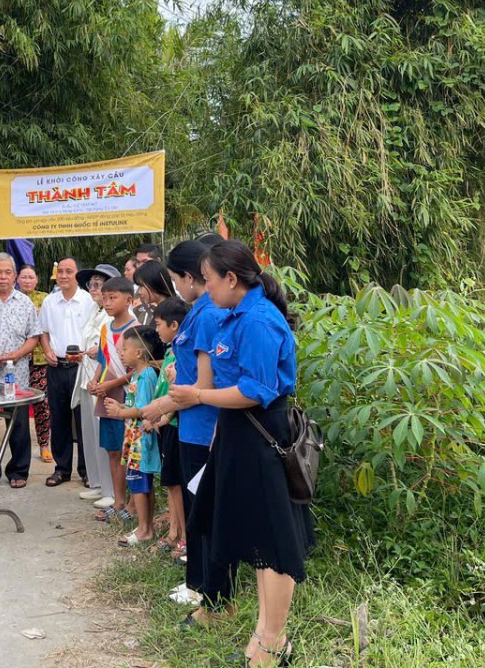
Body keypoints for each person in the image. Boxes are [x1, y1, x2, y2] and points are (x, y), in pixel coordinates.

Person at [193, 239, 313, 666]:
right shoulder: (235, 316)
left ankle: (272, 642)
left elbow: (255, 391)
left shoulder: (259, 320)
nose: (206, 288)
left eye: (208, 280)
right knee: (260, 541)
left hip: (262, 435)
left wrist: (198, 395)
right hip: (238, 434)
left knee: (274, 542)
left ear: (231, 278)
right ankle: (264, 637)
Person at [140, 235, 231, 613]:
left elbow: (208, 383)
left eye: (177, 279)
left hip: (203, 424)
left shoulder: (207, 314)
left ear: (191, 277)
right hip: (190, 423)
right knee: (197, 510)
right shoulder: (199, 311)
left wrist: (161, 404)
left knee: (203, 511)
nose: (176, 287)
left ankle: (208, 588)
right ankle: (198, 581)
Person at [0, 253, 39, 487]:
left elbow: (34, 336)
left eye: (8, 272)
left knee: (19, 424)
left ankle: (19, 471)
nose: (3, 277)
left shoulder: (24, 302)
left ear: (15, 276)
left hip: (17, 372)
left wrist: (17, 354)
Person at [102, 326, 165, 547]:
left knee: (138, 482)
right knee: (139, 482)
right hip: (133, 437)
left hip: (141, 440)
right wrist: (120, 405)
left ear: (138, 353)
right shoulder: (139, 374)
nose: (121, 354)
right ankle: (145, 526)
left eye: (124, 349)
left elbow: (144, 409)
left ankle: (144, 529)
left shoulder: (146, 375)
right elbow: (135, 404)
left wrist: (120, 413)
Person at [38, 257, 97, 487]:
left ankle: (87, 470)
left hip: (82, 367)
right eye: (60, 271)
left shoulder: (89, 301)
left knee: (83, 420)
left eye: (68, 271)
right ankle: (61, 469)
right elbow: (43, 331)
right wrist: (47, 350)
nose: (63, 276)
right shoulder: (49, 302)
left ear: (77, 275)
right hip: (57, 367)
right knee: (59, 418)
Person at [88, 276, 137, 521]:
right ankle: (117, 501)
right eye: (104, 298)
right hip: (107, 394)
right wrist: (95, 381)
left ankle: (132, 504)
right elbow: (103, 359)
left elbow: (136, 369)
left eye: (112, 298)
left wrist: (110, 384)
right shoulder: (106, 328)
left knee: (129, 450)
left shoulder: (135, 330)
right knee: (113, 450)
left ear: (128, 300)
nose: (106, 302)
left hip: (127, 395)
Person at [148, 296, 192, 556]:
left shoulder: (183, 354)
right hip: (165, 422)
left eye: (158, 324)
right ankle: (174, 532)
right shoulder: (170, 352)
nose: (156, 330)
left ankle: (184, 536)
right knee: (171, 483)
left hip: (175, 422)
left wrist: (164, 415)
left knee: (179, 484)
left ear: (174, 325)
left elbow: (180, 392)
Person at [74, 264, 119, 508]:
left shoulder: (113, 315)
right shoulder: (93, 310)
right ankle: (97, 482)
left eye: (98, 284)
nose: (93, 289)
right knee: (89, 434)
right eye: (91, 284)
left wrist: (96, 351)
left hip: (104, 378)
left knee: (105, 437)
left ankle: (111, 490)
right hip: (87, 376)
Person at [17, 265, 52, 463]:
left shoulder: (46, 299)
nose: (27, 281)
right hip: (16, 358)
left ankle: (44, 444)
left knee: (42, 404)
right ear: (17, 279)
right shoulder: (12, 298)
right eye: (24, 277)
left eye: (31, 277)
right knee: (16, 403)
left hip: (39, 359)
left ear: (37, 280)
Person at [134, 258, 177, 326]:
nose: (139, 292)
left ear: (153, 283)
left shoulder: (173, 312)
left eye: (141, 286)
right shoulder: (162, 310)